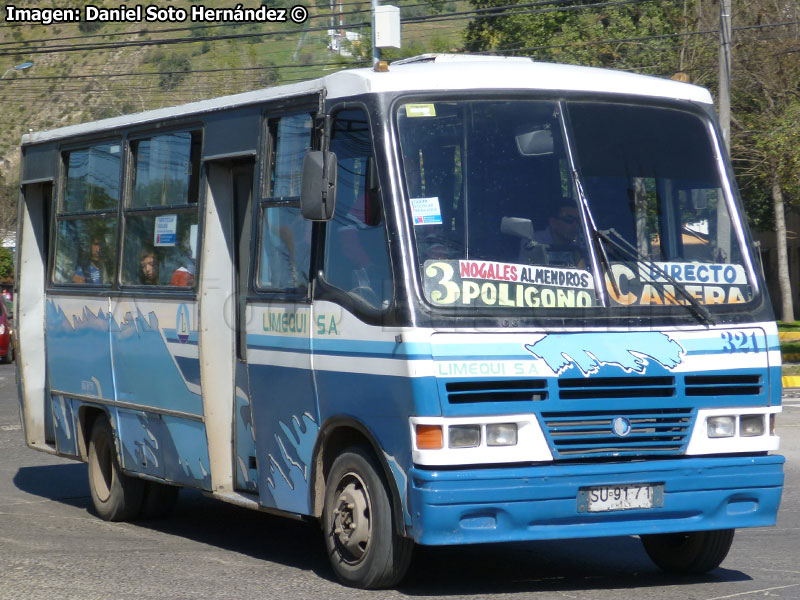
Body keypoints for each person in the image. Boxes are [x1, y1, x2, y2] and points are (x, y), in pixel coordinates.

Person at [534, 200, 586, 267]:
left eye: (578, 221)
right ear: (553, 222)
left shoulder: (585, 242)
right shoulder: (534, 242)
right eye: (569, 219)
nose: (575, 226)